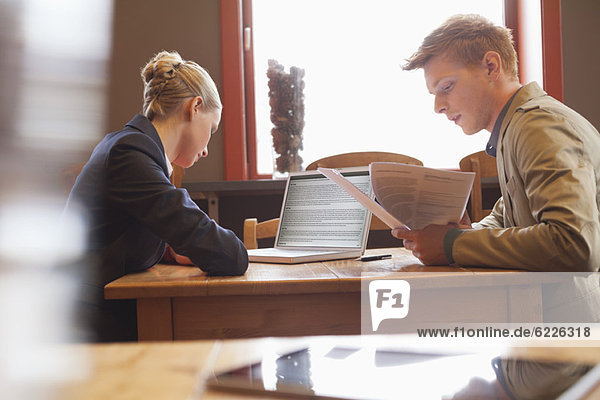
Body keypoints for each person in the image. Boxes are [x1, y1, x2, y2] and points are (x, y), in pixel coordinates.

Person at [396, 15, 600, 399]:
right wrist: (465, 233)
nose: (439, 106)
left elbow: (575, 243)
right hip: (548, 346)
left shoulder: (538, 127)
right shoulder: (515, 128)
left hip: (572, 362)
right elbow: (511, 214)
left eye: (447, 87)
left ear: (491, 66)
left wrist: (454, 245)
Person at [65, 50, 248, 341]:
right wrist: (230, 249)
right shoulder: (131, 154)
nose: (207, 148)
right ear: (195, 107)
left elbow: (119, 233)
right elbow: (229, 255)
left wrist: (169, 251)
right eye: (212, 130)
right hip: (86, 327)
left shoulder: (129, 145)